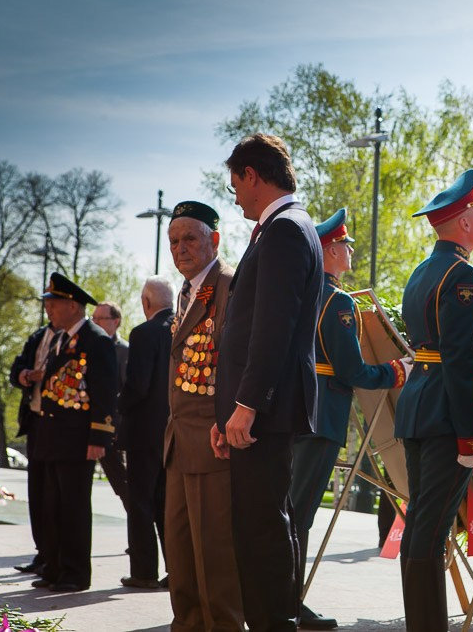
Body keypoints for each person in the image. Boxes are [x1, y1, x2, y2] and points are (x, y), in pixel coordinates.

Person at [215, 133, 324, 632]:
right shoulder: (286, 228)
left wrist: (246, 405)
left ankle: (273, 623)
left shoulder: (283, 230)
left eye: (235, 183)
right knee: (269, 524)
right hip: (263, 408)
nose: (234, 194)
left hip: (265, 409)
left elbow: (273, 328)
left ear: (252, 176)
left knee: (259, 532)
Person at [291, 207, 409, 630]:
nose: (350, 250)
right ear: (328, 251)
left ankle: (282, 602)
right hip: (322, 415)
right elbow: (353, 371)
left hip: (296, 412)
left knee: (289, 510)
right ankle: (289, 606)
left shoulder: (302, 294)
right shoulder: (337, 300)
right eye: (344, 244)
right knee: (299, 515)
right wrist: (397, 370)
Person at [395, 169, 473, 631]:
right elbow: (461, 357)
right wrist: (471, 431)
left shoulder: (421, 271)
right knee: (430, 531)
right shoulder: (463, 274)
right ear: (464, 221)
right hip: (443, 415)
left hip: (417, 408)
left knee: (420, 525)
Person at [164, 201, 244, 631]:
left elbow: (239, 362)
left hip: (214, 444)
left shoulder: (228, 285)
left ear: (214, 239)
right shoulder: (186, 290)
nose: (181, 248)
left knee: (214, 561)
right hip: (180, 443)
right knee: (180, 560)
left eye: (190, 238)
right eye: (174, 241)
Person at [30, 272, 118, 592]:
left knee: (74, 508)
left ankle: (76, 573)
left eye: (53, 303)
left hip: (79, 440)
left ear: (72, 305)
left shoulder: (96, 340)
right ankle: (54, 568)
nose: (49, 309)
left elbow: (106, 392)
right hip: (54, 438)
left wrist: (99, 438)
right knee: (52, 506)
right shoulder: (61, 338)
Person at [118, 276, 175, 588]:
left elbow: (137, 385)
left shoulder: (143, 333)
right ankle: (176, 570)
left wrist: (119, 407)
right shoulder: (184, 326)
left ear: (146, 303)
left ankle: (143, 571)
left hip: (145, 433)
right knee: (169, 504)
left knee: (140, 501)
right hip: (175, 431)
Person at [9, 320, 61, 576]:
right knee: (37, 491)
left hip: (57, 424)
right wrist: (26, 376)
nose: (50, 310)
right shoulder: (38, 336)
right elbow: (16, 369)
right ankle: (42, 552)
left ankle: (53, 555)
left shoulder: (70, 339)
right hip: (35, 420)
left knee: (52, 492)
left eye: (54, 303)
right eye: (48, 305)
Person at [92, 300, 130, 511]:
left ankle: (139, 540)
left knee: (123, 485)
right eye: (94, 318)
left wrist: (117, 427)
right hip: (85, 429)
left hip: (111, 431)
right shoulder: (88, 345)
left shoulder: (124, 351)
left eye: (101, 318)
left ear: (115, 322)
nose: (96, 322)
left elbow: (126, 392)